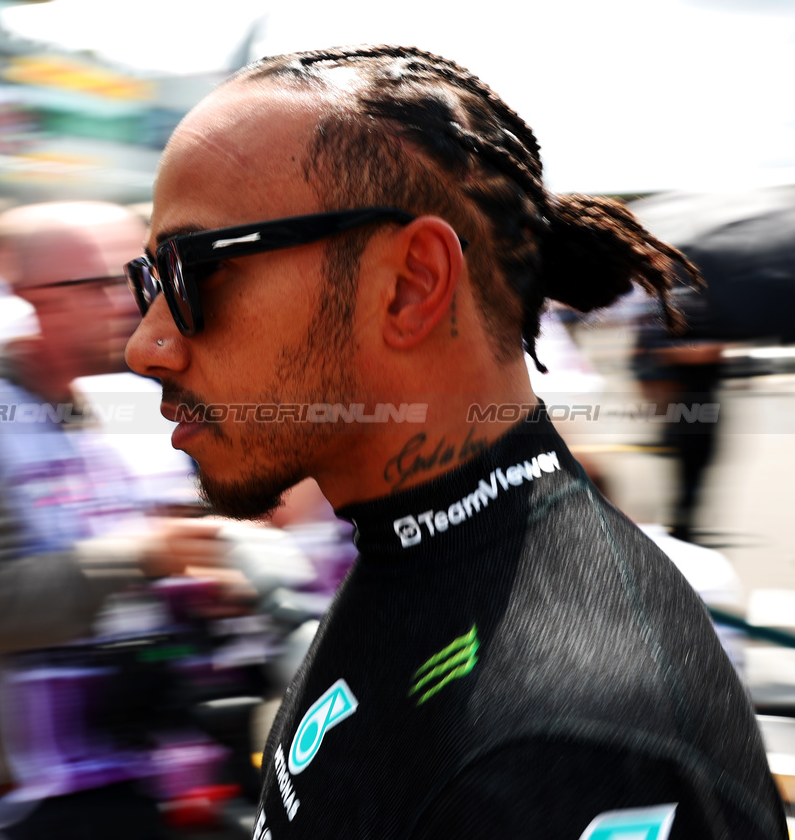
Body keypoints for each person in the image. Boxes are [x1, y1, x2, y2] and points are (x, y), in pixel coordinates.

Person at [123, 46, 784, 839]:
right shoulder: (424, 550)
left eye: (194, 271)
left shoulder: (560, 738)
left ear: (410, 286)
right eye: (149, 279)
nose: (146, 343)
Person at [0, 202, 230, 839]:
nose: (127, 303)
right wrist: (145, 554)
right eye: (95, 285)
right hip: (51, 780)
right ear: (28, 298)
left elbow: (196, 526)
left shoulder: (133, 392)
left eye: (137, 279)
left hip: (168, 754)